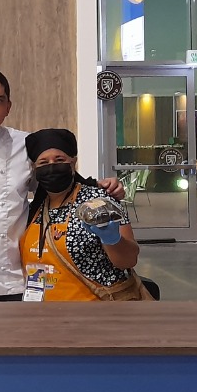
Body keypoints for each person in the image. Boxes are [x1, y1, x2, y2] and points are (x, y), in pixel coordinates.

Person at [0, 68, 124, 301]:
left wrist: (103, 186)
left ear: (8, 107)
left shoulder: (25, 144)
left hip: (16, 274)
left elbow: (59, 179)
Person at [19, 128, 143, 301]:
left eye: (59, 159)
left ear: (73, 162)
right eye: (43, 162)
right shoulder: (35, 208)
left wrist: (113, 240)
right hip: (45, 314)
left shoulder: (98, 201)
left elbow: (129, 260)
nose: (52, 166)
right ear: (34, 169)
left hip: (93, 313)